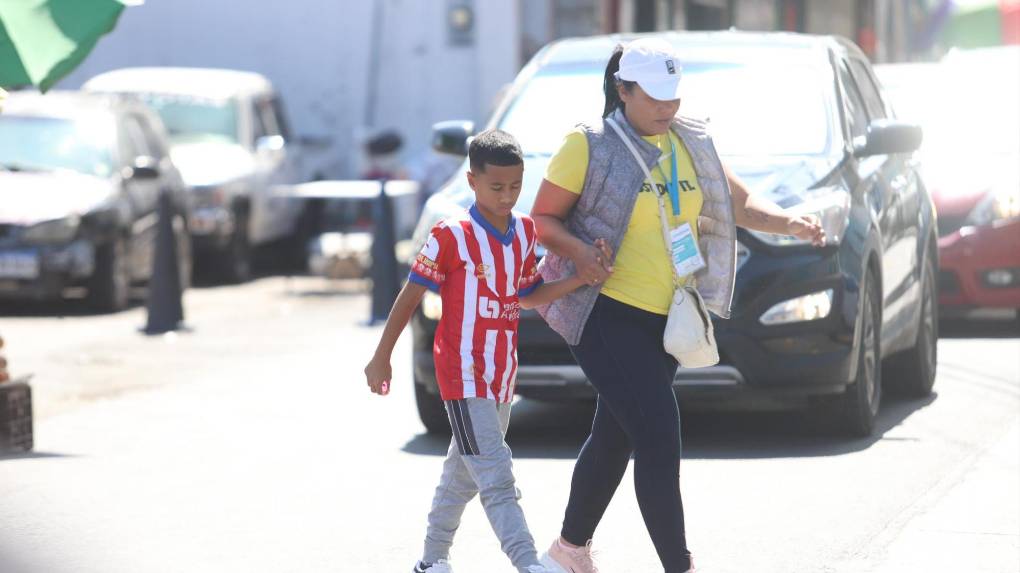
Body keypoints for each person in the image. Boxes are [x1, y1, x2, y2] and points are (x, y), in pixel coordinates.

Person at [531, 39, 826, 573]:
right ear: (623, 91)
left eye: (673, 94)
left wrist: (790, 223)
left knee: (616, 432)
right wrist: (579, 252)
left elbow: (737, 202)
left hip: (667, 317)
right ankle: (679, 565)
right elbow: (542, 220)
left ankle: (567, 552)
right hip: (603, 310)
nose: (667, 106)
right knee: (658, 434)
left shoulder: (692, 139)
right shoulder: (589, 144)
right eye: (654, 96)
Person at [364, 129, 612, 573]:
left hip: (501, 373)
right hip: (462, 374)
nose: (507, 196)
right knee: (497, 476)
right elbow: (410, 295)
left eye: (515, 186)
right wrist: (381, 356)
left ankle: (431, 561)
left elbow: (528, 295)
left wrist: (579, 278)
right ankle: (528, 563)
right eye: (496, 187)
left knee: (462, 475)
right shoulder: (450, 234)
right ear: (472, 180)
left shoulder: (524, 232)